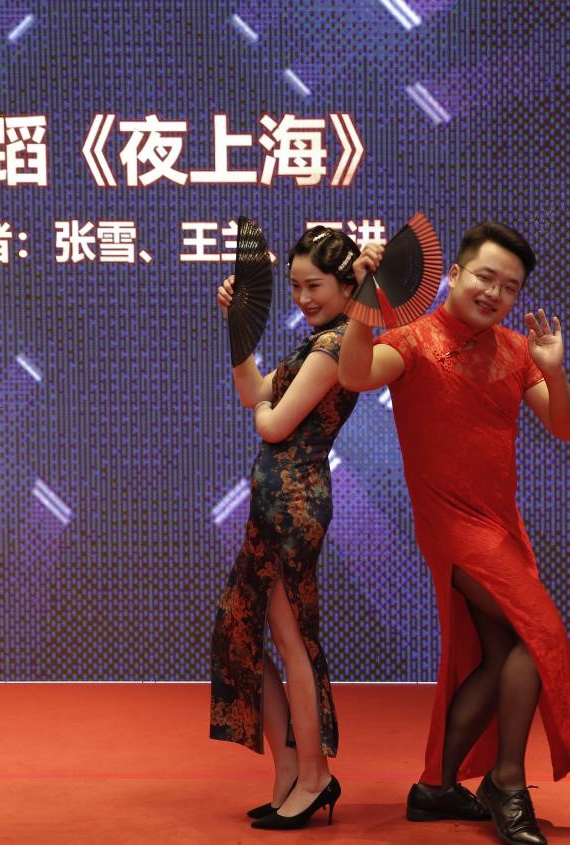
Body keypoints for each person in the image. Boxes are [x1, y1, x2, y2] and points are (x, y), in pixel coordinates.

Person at [339, 222, 570, 845]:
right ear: (454, 274)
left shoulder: (517, 350)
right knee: (538, 635)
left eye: (509, 287)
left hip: (503, 527)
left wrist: (555, 372)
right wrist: (364, 302)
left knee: (504, 652)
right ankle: (507, 781)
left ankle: (435, 786)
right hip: (452, 526)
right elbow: (354, 373)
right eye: (485, 277)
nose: (494, 293)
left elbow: (567, 428)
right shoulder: (412, 340)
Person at [209, 227, 361, 830]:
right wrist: (238, 326)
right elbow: (252, 390)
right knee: (239, 633)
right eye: (295, 286)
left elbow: (271, 422)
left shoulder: (338, 345)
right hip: (274, 503)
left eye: (314, 285)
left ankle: (315, 776)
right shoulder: (315, 342)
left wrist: (266, 411)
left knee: (292, 641)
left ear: (348, 286)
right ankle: (290, 770)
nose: (302, 297)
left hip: (295, 505)